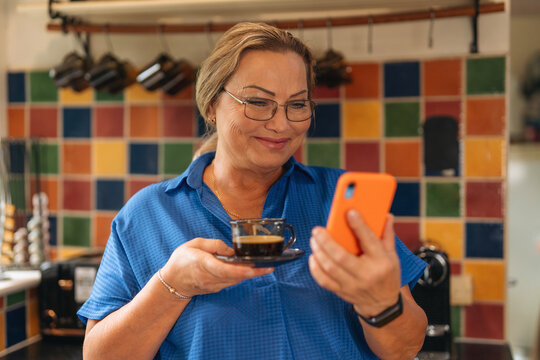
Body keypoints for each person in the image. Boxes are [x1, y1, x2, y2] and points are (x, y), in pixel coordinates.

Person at [78, 22, 428, 360]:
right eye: (259, 102)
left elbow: (405, 348)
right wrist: (172, 285)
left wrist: (380, 304)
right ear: (212, 105)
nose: (281, 124)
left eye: (297, 104)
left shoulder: (340, 200)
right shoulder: (147, 215)